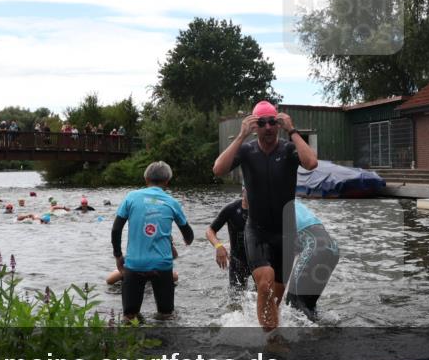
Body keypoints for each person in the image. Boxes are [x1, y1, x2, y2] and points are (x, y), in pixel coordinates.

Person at [212, 101, 317, 330]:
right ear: (254, 126)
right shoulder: (246, 151)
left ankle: (269, 334)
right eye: (261, 123)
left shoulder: (289, 150)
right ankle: (270, 342)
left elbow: (311, 163)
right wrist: (240, 136)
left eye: (272, 122)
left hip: (285, 233)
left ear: (278, 124)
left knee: (275, 299)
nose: (268, 127)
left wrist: (293, 131)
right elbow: (218, 170)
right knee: (264, 281)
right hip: (257, 230)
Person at [111, 161, 194, 321]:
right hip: (162, 265)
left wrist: (118, 255)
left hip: (135, 264)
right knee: (166, 315)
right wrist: (186, 240)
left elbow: (116, 229)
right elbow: (188, 235)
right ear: (167, 182)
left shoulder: (131, 197)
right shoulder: (172, 202)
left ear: (146, 178)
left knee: (130, 317)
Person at [286, 200, 339, 321]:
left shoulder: (274, 207)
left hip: (315, 246)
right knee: (308, 305)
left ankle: (309, 336)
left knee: (293, 302)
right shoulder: (293, 203)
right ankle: (320, 334)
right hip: (332, 248)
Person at [207, 188, 251, 290]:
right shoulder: (231, 209)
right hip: (237, 261)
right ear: (243, 190)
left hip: (259, 260)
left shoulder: (263, 209)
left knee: (263, 297)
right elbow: (210, 231)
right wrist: (218, 246)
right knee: (236, 300)